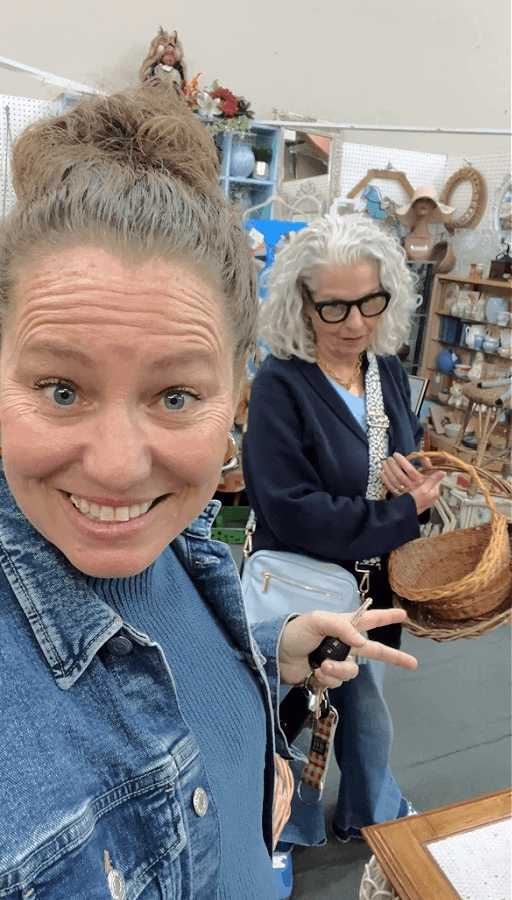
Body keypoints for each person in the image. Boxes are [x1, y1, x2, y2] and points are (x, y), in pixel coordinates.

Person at [0, 87, 418, 900]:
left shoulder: (189, 547)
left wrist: (267, 662)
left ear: (234, 389)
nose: (120, 467)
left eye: (175, 397)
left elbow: (166, 665)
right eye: (60, 388)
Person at [241, 214, 444, 884]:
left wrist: (415, 487)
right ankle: (272, 826)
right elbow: (289, 511)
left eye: (369, 302)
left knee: (365, 710)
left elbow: (403, 468)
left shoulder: (383, 370)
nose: (354, 322)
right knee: (288, 712)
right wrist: (394, 514)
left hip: (370, 586)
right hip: (303, 588)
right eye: (333, 306)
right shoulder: (281, 384)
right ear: (301, 302)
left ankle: (368, 813)